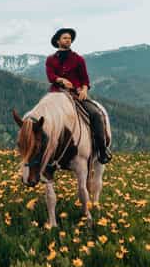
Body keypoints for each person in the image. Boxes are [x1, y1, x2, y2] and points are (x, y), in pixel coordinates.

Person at [45, 27, 112, 164]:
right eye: (65, 38)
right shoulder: (50, 60)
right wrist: (61, 80)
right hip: (56, 95)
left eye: (69, 38)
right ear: (58, 41)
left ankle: (102, 149)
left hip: (76, 94)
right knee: (42, 118)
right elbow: (51, 76)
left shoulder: (78, 59)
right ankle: (41, 151)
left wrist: (84, 90)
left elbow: (85, 79)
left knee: (95, 114)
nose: (68, 40)